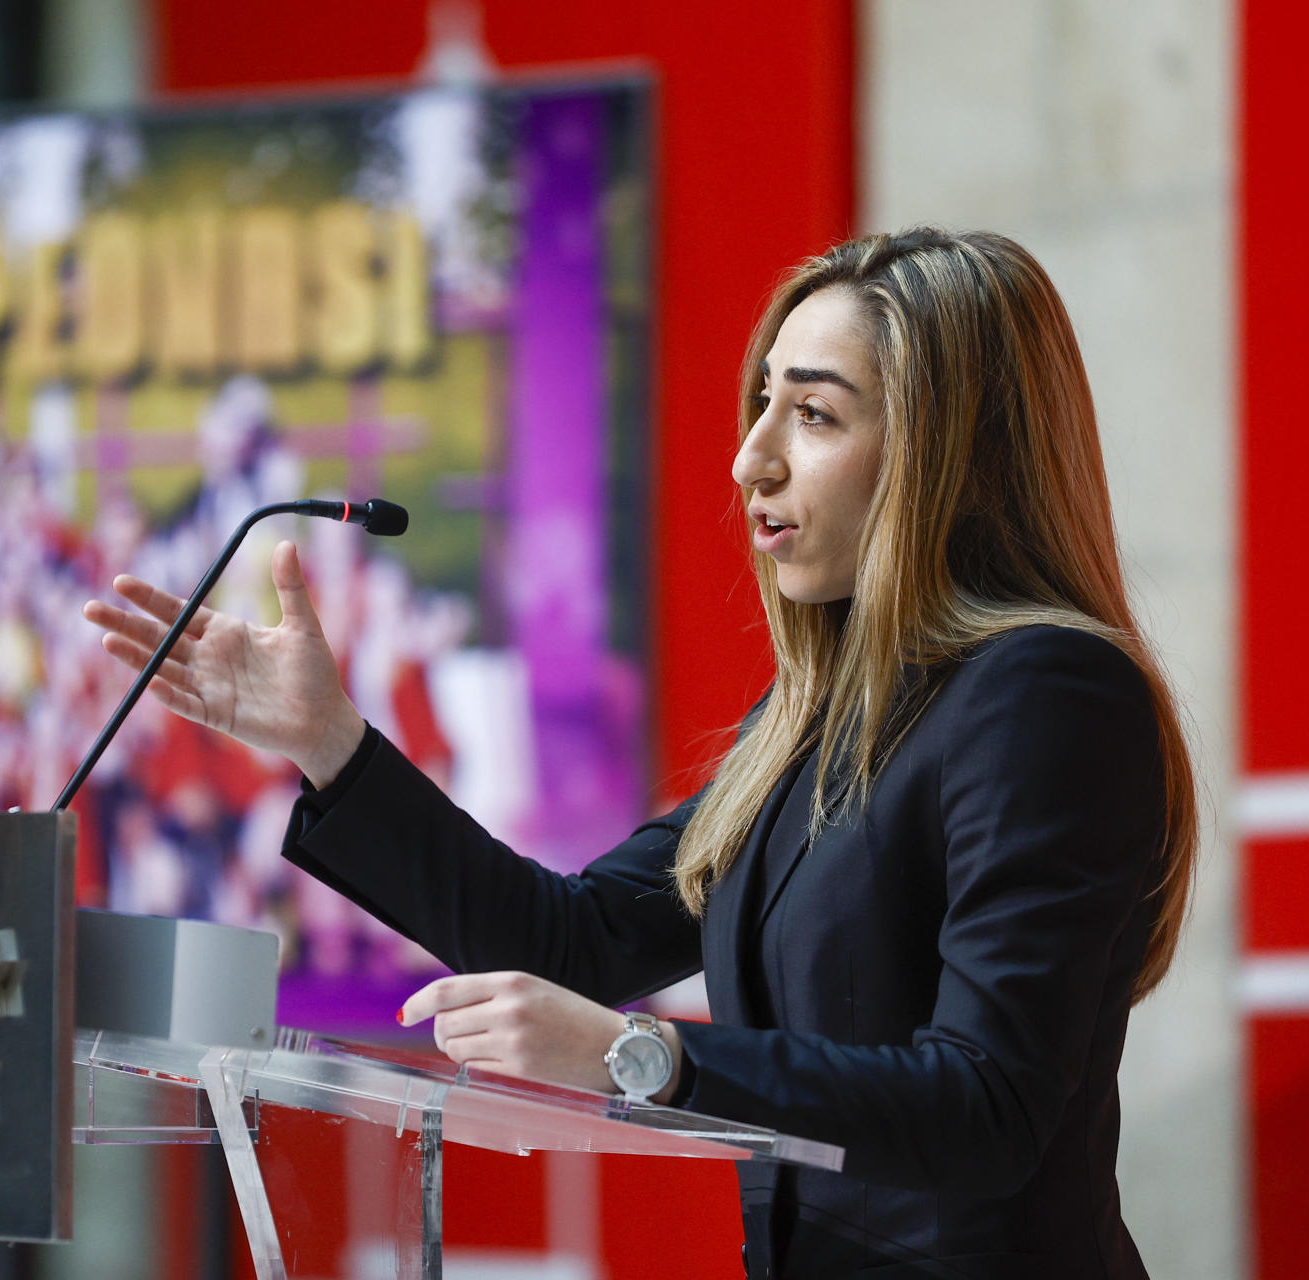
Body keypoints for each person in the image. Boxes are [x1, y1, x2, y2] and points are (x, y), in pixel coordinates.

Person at [83, 228, 1197, 1279]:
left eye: (812, 414)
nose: (749, 459)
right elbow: (573, 939)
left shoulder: (1046, 690)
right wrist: (327, 742)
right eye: (762, 403)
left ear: (949, 453)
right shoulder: (813, 716)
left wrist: (645, 1056)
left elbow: (990, 1105)